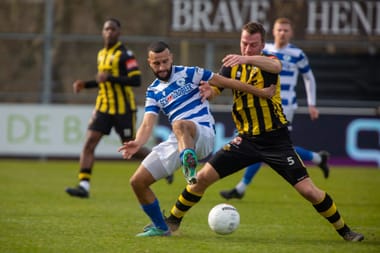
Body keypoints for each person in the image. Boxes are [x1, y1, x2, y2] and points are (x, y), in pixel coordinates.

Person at [162, 21, 364, 242]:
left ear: (262, 45)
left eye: (252, 45)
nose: (246, 48)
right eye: (244, 43)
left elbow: (276, 68)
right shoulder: (230, 66)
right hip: (245, 140)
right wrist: (208, 91)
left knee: (309, 191)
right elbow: (215, 89)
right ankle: (172, 222)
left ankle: (345, 231)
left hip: (276, 141)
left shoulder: (269, 62)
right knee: (201, 179)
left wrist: (245, 58)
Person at [118, 41, 276, 237]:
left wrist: (261, 92)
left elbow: (228, 82)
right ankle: (161, 227)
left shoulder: (191, 73)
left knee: (179, 124)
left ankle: (189, 166)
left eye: (165, 62)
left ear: (171, 58)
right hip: (178, 139)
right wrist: (138, 142)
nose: (162, 67)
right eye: (157, 64)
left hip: (202, 134)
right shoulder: (153, 91)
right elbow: (147, 124)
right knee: (138, 182)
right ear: (149, 63)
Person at [220, 17, 330, 200]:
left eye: (286, 30)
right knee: (267, 146)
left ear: (291, 33)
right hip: (261, 103)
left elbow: (309, 77)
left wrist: (312, 103)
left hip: (284, 105)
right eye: (279, 30)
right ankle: (319, 159)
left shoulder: (297, 54)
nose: (282, 33)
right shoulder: (264, 50)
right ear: (273, 32)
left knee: (264, 145)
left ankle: (241, 188)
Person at [65, 18, 150, 198]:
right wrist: (85, 85)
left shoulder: (126, 54)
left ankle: (163, 163)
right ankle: (84, 186)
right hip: (103, 106)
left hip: (123, 109)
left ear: (119, 32)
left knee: (130, 147)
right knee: (89, 143)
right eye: (106, 29)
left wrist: (110, 78)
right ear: (102, 32)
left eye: (113, 29)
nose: (109, 32)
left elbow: (136, 80)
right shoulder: (101, 53)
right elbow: (102, 81)